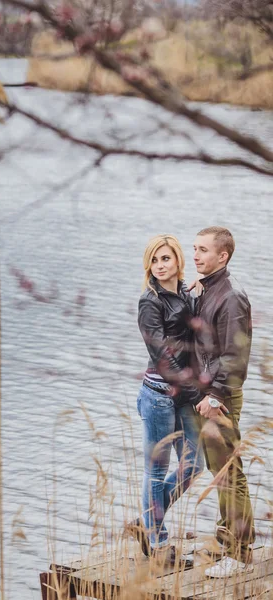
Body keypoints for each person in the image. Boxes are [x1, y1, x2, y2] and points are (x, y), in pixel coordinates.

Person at [130, 234, 204, 567]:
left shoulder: (187, 294)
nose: (160, 266)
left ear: (177, 260)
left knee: (193, 466)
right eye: (154, 260)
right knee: (156, 472)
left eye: (166, 259)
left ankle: (147, 521)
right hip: (160, 395)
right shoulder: (150, 301)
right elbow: (160, 355)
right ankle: (159, 546)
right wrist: (194, 392)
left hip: (184, 396)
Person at [192, 226, 255, 578]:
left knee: (230, 474)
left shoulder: (231, 297)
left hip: (222, 396)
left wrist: (215, 396)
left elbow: (236, 355)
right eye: (195, 248)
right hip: (208, 395)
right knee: (221, 473)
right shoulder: (207, 290)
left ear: (223, 256)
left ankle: (239, 552)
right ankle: (227, 541)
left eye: (203, 250)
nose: (196, 255)